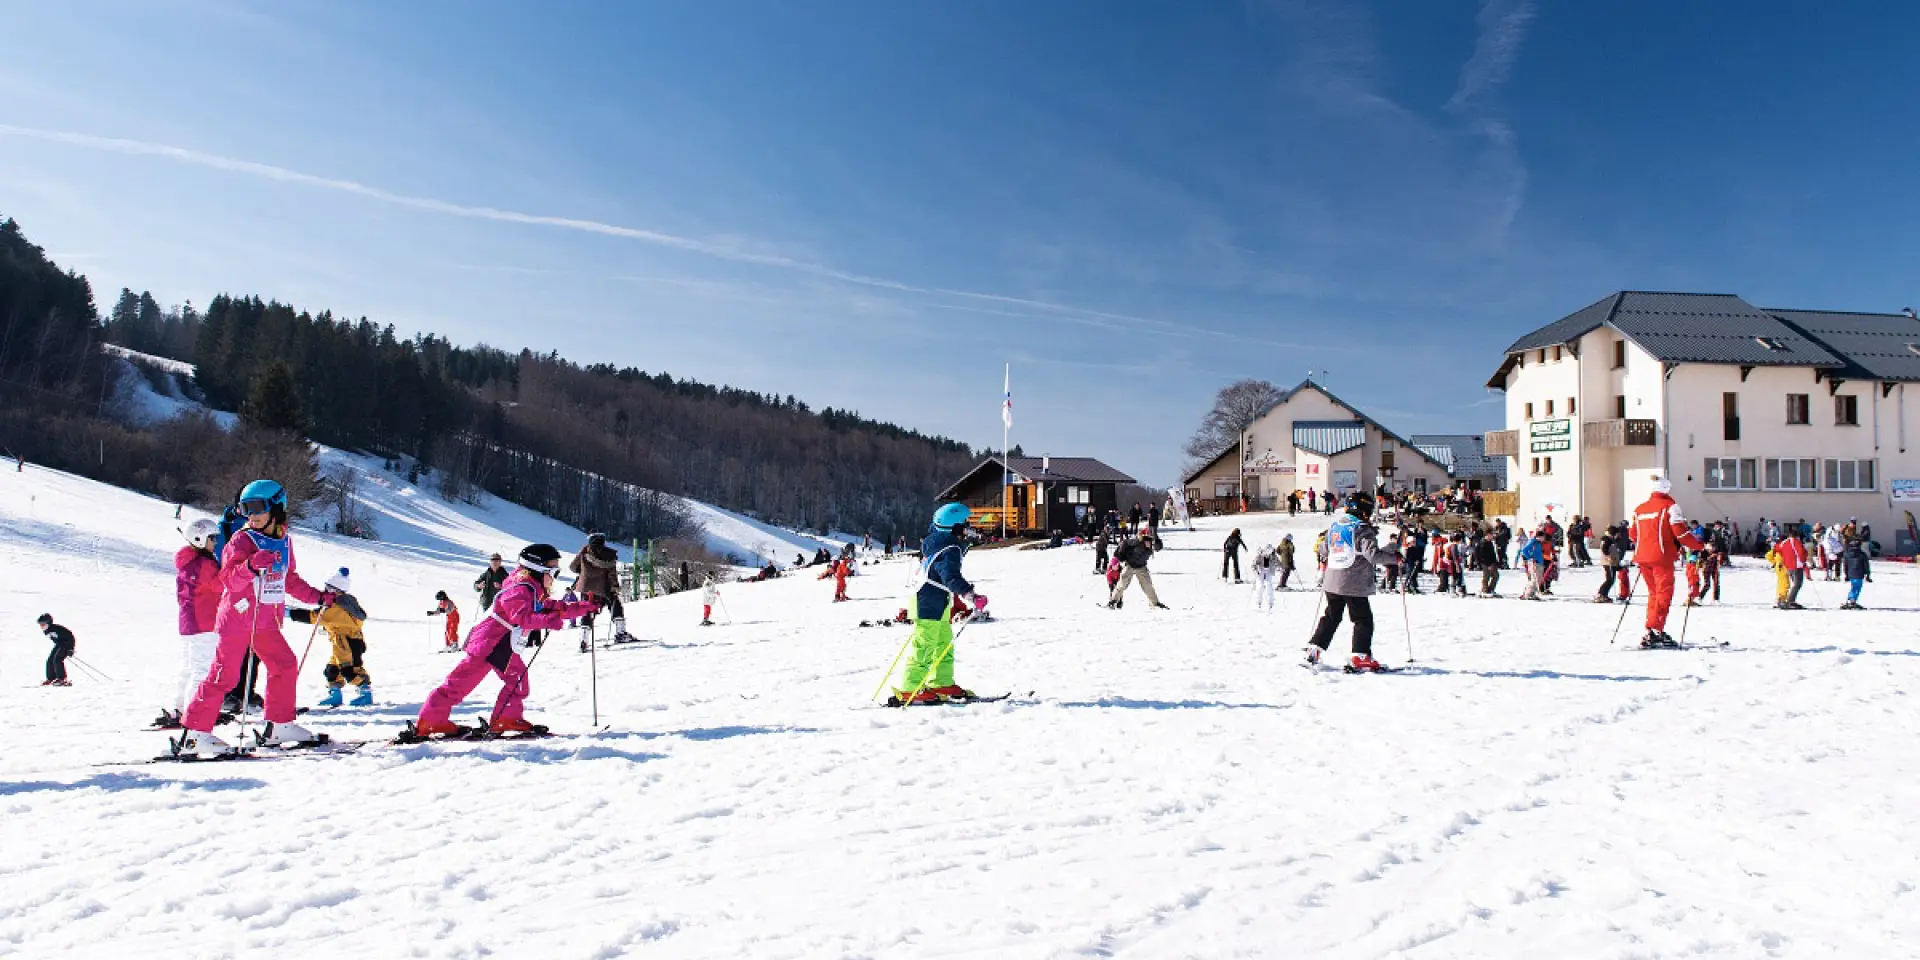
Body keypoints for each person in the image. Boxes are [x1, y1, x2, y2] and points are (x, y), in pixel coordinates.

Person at [175, 479, 329, 758]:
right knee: (225, 675)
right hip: (238, 617)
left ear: (276, 507)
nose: (252, 515)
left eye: (257, 508)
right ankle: (195, 734)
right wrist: (249, 566)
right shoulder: (241, 540)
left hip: (265, 620)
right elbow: (228, 580)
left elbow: (289, 579)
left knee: (284, 664)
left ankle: (279, 724)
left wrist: (318, 597)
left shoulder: (284, 540)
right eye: (246, 509)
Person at [415, 543, 600, 737]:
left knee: (504, 680)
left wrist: (583, 607)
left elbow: (550, 607)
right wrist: (548, 621)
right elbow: (521, 616)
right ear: (538, 568)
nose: (555, 575)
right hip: (491, 643)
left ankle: (443, 719)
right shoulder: (520, 588)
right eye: (553, 569)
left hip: (496, 643)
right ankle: (495, 719)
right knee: (467, 682)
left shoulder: (531, 587)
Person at [894, 503, 990, 704]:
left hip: (937, 599)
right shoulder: (949, 548)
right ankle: (910, 687)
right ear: (954, 527)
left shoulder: (938, 541)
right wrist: (971, 595)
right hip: (927, 599)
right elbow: (950, 576)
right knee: (926, 644)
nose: (968, 528)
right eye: (965, 524)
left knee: (943, 643)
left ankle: (941, 681)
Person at [1305, 493, 1387, 672]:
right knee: (1363, 619)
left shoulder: (1335, 526)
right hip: (1353, 582)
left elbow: (1323, 550)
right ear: (1363, 510)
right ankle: (1361, 655)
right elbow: (1372, 555)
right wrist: (1395, 557)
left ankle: (1314, 650)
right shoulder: (1362, 529)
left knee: (1332, 616)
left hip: (1332, 581)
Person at [160, 517, 223, 727]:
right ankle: (195, 714)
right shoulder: (203, 563)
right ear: (199, 538)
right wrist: (239, 571)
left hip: (190, 622)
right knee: (202, 669)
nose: (216, 542)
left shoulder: (189, 561)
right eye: (212, 538)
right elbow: (218, 585)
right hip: (204, 622)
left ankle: (179, 708)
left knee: (188, 667)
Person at [1631, 476, 1705, 647]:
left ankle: (1651, 627)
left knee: (1653, 593)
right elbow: (1680, 533)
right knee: (1664, 593)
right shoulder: (1670, 507)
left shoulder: (1639, 509)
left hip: (1642, 556)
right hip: (1662, 556)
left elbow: (1633, 534)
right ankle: (1656, 629)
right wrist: (1698, 546)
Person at [291, 568, 372, 707]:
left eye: (329, 588)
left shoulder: (336, 608)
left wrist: (290, 613)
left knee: (350, 670)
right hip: (344, 642)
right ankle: (335, 695)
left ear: (337, 591)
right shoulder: (348, 602)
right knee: (332, 669)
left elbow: (315, 617)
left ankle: (365, 694)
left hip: (346, 643)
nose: (325, 591)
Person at [570, 533, 635, 643]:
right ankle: (621, 632)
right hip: (604, 587)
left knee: (587, 610)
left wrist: (582, 571)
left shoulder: (584, 552)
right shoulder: (609, 554)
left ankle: (583, 639)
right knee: (615, 605)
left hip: (587, 587)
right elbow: (612, 574)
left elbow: (572, 567)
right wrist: (615, 586)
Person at [1107, 522, 1168, 610]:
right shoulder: (1138, 541)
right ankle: (1112, 601)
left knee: (1148, 585)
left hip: (1141, 567)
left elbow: (1158, 545)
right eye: (1151, 545)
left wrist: (1156, 545)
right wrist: (1119, 554)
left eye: (1153, 547)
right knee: (1122, 584)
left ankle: (1155, 603)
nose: (1151, 547)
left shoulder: (1152, 547)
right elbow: (1125, 543)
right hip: (1130, 565)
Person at [1595, 522, 1632, 604]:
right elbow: (1604, 549)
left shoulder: (1610, 540)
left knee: (1611, 579)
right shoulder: (1607, 539)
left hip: (1613, 563)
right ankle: (1601, 594)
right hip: (1609, 563)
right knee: (1610, 580)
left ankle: (1604, 594)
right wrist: (1609, 557)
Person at [1775, 527, 1809, 609]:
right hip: (1796, 565)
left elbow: (1777, 548)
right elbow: (1800, 552)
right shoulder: (1796, 542)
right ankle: (1790, 601)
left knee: (1795, 584)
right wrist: (1803, 561)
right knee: (1797, 584)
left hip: (1788, 565)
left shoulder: (1784, 542)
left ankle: (1789, 600)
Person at [38, 614, 74, 686]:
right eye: (40, 624)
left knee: (57, 659)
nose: (41, 626)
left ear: (48, 623)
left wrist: (70, 649)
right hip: (59, 645)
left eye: (43, 624)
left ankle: (62, 679)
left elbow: (70, 637)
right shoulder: (47, 631)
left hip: (66, 644)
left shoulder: (56, 629)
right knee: (50, 660)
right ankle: (51, 678)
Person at [1841, 538, 1872, 609]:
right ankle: (1852, 600)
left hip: (1850, 573)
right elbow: (1866, 565)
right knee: (1857, 587)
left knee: (1854, 586)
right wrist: (1868, 575)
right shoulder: (1862, 554)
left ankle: (1851, 599)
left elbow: (1845, 565)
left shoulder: (1847, 554)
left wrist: (1846, 574)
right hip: (1859, 573)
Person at [1518, 531, 1547, 600]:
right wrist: (1529, 558)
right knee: (1535, 579)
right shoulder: (1533, 542)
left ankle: (1529, 593)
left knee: (1537, 579)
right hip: (1535, 563)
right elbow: (1524, 550)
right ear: (1539, 537)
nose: (1544, 538)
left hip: (1539, 562)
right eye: (1543, 537)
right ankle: (1529, 594)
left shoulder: (1538, 543)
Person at [1472, 530, 1500, 596]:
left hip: (1492, 562)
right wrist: (1487, 564)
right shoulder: (1483, 543)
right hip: (1486, 563)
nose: (1493, 536)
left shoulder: (1489, 542)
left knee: (1496, 576)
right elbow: (1481, 555)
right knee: (1486, 577)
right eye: (1491, 535)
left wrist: (1495, 562)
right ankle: (1485, 589)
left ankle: (1490, 589)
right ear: (1487, 535)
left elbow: (1492, 553)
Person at [1251, 544, 1279, 611]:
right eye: (1266, 553)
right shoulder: (1259, 556)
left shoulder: (1273, 556)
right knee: (1260, 586)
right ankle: (1258, 602)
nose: (1267, 554)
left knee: (1269, 586)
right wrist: (1256, 571)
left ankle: (1270, 603)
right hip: (1260, 571)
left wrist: (1282, 567)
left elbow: (1278, 562)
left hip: (1269, 571)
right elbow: (1253, 565)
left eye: (1269, 553)